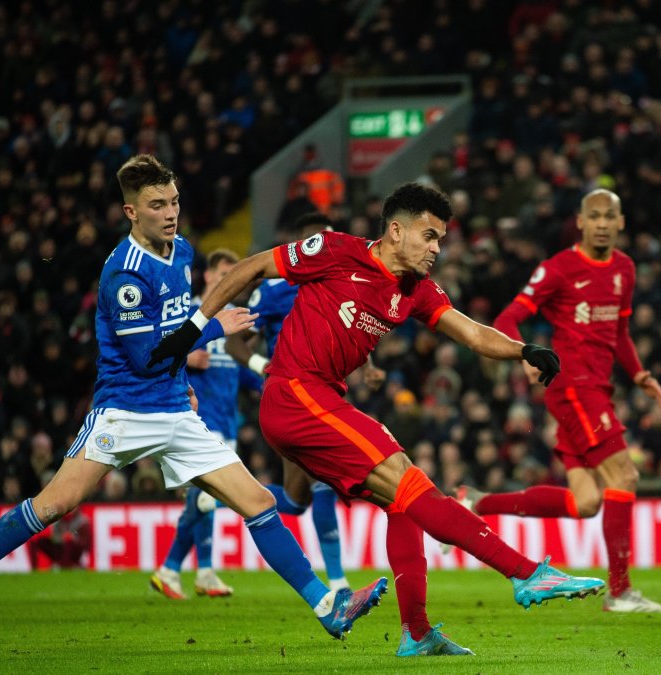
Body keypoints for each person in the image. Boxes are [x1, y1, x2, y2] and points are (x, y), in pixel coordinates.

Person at [148, 181, 605, 657]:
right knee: (409, 480)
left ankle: (416, 631)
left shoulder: (415, 290)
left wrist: (524, 349)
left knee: (400, 504)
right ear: (394, 231)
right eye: (428, 236)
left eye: (440, 240)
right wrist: (193, 329)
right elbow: (253, 267)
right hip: (296, 393)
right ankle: (526, 573)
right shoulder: (335, 250)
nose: (435, 248)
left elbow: (470, 332)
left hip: (320, 400)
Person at [0, 155, 389, 643]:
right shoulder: (124, 274)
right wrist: (211, 327)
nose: (170, 212)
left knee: (258, 501)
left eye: (174, 201)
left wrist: (182, 384)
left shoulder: (181, 251)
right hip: (125, 408)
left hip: (175, 410)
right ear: (131, 212)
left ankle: (327, 605)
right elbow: (145, 357)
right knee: (55, 504)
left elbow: (172, 336)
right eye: (157, 204)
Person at [454, 189, 661, 613]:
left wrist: (640, 374)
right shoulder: (559, 268)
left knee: (587, 501)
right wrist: (523, 356)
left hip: (597, 387)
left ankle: (475, 502)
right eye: (595, 216)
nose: (603, 223)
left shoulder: (624, 269)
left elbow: (620, 334)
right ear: (581, 221)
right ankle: (620, 590)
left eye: (611, 216)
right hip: (573, 386)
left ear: (622, 222)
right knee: (624, 478)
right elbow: (507, 318)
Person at [238, 213, 367, 592]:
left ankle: (234, 497)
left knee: (295, 501)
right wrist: (263, 365)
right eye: (319, 240)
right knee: (323, 481)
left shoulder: (339, 283)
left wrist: (370, 365)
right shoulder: (276, 289)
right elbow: (235, 343)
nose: (328, 247)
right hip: (291, 396)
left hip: (327, 390)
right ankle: (339, 582)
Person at [149, 248, 253, 599]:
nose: (228, 282)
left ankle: (200, 571)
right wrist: (186, 354)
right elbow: (155, 354)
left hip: (227, 421)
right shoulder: (188, 314)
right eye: (223, 275)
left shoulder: (232, 320)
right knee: (205, 500)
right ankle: (173, 568)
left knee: (205, 500)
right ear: (207, 276)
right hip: (199, 421)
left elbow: (240, 369)